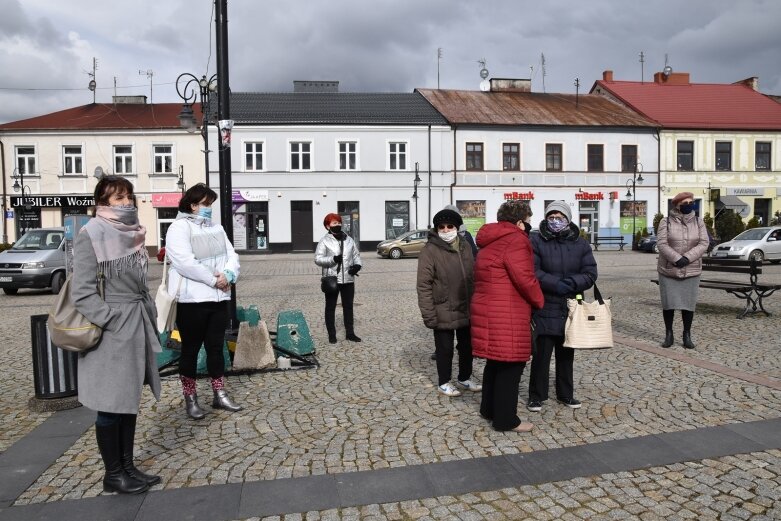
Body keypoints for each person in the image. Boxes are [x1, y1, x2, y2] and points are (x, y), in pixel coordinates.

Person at [71, 175, 161, 494]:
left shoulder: (135, 233)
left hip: (136, 322)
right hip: (111, 329)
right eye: (117, 197)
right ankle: (113, 474)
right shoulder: (91, 233)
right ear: (102, 201)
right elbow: (81, 292)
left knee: (128, 400)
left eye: (127, 196)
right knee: (110, 403)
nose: (125, 202)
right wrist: (111, 319)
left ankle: (128, 466)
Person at [165, 183, 242, 420]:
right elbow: (184, 262)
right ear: (193, 205)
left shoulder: (216, 227)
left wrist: (229, 275)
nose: (209, 208)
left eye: (211, 204)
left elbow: (232, 255)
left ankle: (219, 393)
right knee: (190, 350)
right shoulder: (178, 228)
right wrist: (213, 280)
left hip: (218, 299)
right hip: (192, 301)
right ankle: (190, 397)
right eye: (206, 204)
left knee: (216, 349)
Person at [471, 201, 544, 432]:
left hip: (489, 309)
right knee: (511, 364)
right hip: (507, 310)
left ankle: (488, 409)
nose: (529, 225)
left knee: (495, 361)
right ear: (520, 221)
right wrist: (539, 300)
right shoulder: (516, 240)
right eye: (528, 220)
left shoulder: (490, 240)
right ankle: (505, 419)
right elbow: (525, 279)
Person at [527, 201, 597, 413]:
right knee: (542, 354)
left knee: (566, 354)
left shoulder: (580, 244)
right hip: (546, 304)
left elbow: (590, 273)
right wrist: (555, 284)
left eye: (559, 217)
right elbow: (533, 271)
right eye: (551, 217)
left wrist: (572, 283)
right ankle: (536, 395)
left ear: (568, 219)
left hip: (570, 305)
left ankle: (565, 393)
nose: (555, 221)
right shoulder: (536, 241)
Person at [416, 208, 481, 397]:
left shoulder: (466, 246)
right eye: (441, 227)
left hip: (465, 306)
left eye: (449, 226)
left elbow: (474, 275)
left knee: (467, 346)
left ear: (457, 227)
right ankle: (443, 381)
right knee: (444, 349)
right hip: (442, 307)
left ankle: (465, 377)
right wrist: (428, 314)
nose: (446, 230)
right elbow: (423, 285)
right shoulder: (430, 250)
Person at [656, 192, 709, 349]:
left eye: (691, 202)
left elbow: (704, 243)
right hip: (669, 269)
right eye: (685, 202)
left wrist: (687, 258)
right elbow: (661, 243)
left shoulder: (699, 222)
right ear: (677, 205)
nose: (689, 205)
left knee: (688, 304)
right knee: (669, 304)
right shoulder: (666, 222)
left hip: (691, 269)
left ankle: (687, 334)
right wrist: (677, 259)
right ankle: (669, 334)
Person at [315, 213, 362, 344]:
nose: (338, 225)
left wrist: (357, 265)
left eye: (339, 222)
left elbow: (356, 255)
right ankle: (332, 334)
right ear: (327, 226)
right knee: (330, 307)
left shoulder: (349, 239)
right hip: (332, 279)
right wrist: (332, 259)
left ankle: (350, 333)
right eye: (334, 223)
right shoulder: (324, 241)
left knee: (348, 307)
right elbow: (317, 259)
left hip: (348, 279)